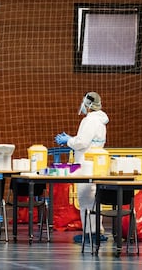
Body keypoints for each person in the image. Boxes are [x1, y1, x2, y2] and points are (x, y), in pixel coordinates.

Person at [55, 92, 109, 243]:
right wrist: (72, 139)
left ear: (89, 104)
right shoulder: (100, 120)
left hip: (86, 165)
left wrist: (68, 141)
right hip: (95, 164)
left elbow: (82, 143)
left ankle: (90, 233)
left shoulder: (90, 120)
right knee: (94, 199)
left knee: (86, 199)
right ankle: (96, 231)